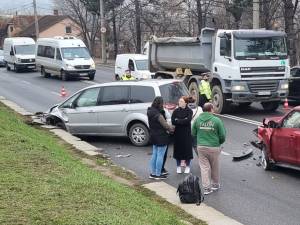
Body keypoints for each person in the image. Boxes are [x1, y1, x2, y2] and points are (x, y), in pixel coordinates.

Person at [192, 103, 226, 195]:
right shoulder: (216, 120)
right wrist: (219, 142)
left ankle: (206, 188)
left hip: (201, 147)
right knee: (215, 166)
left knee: (204, 168)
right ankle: (215, 184)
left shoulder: (198, 119)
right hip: (214, 146)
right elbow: (222, 135)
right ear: (211, 109)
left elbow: (193, 132)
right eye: (213, 108)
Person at [147, 97, 174, 180]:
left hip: (153, 135)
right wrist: (172, 128)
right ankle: (158, 174)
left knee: (154, 154)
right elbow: (166, 126)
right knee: (160, 155)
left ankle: (153, 173)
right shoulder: (158, 115)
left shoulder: (150, 111)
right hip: (161, 137)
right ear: (160, 104)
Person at [171, 96, 193, 174]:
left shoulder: (189, 111)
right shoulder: (175, 111)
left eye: (181, 101)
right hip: (177, 133)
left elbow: (188, 121)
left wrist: (178, 120)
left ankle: (187, 166)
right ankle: (178, 166)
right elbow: (173, 121)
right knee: (178, 150)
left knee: (187, 150)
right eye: (179, 101)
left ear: (185, 103)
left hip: (186, 133)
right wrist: (183, 120)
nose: (179, 103)